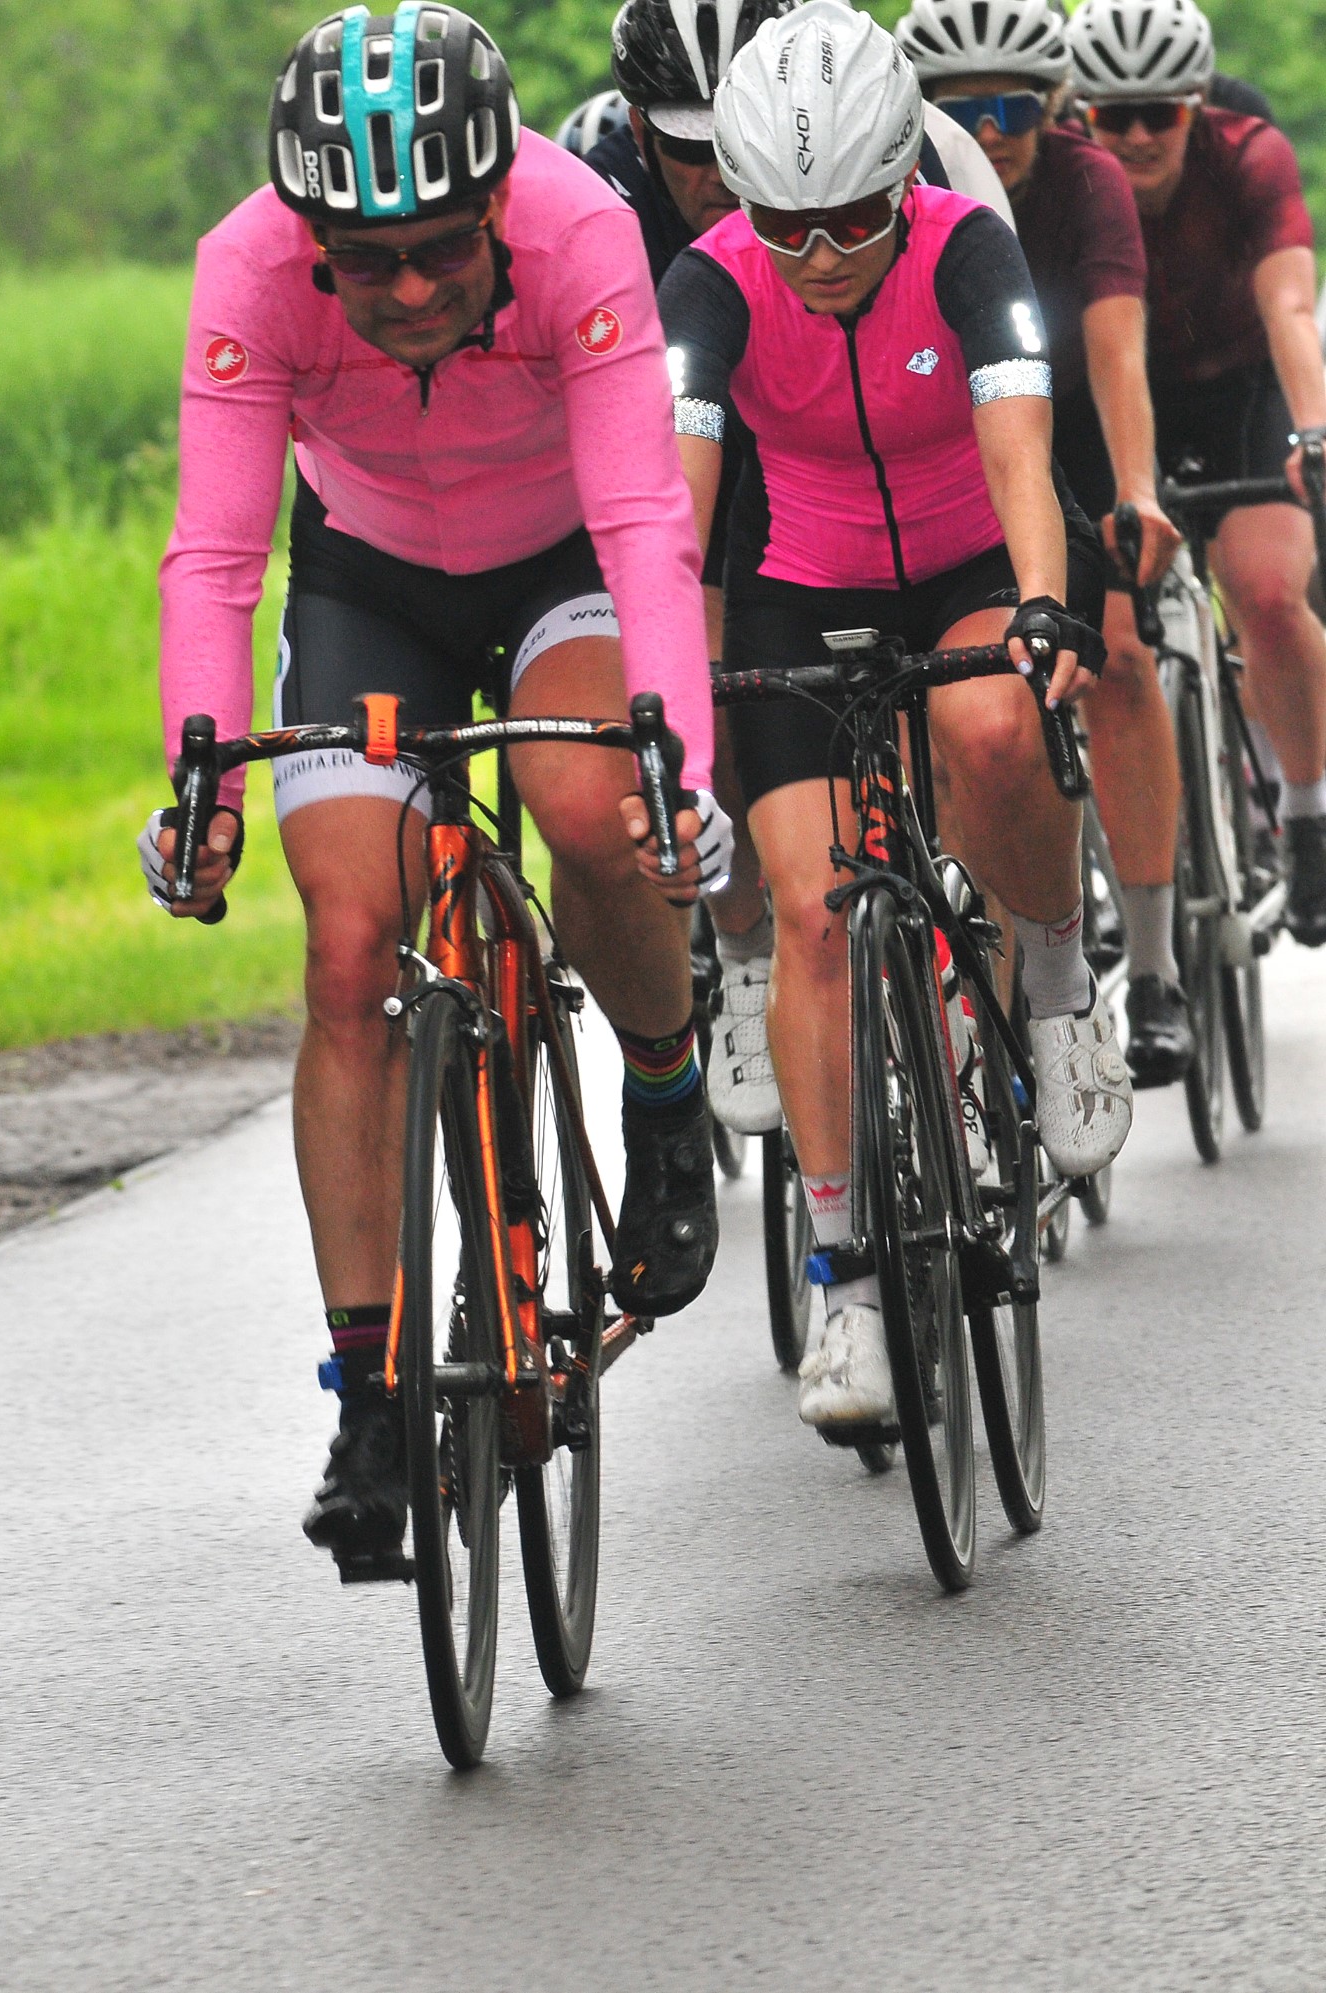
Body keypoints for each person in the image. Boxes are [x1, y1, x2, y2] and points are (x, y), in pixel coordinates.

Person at [153, 5, 728, 1577]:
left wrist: (675, 757)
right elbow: (216, 556)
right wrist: (200, 779)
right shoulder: (246, 269)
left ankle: (665, 1084)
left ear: (495, 206)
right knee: (350, 946)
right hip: (371, 582)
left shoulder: (581, 227)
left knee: (585, 802)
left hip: (563, 563)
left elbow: (643, 519)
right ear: (310, 239)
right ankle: (373, 1398)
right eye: (366, 262)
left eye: (441, 253)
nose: (409, 292)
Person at [663, 0, 1129, 1427]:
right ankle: (849, 1290)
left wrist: (1041, 604)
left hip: (976, 556)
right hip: (803, 582)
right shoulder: (711, 285)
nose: (817, 257)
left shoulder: (966, 245)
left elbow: (1022, 451)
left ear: (899, 184)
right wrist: (668, 687)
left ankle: (1058, 989)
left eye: (851, 222)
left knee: (993, 729)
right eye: (783, 226)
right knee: (811, 915)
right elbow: (678, 506)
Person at [582, 0, 1021, 1141]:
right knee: (702, 697)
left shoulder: (937, 162)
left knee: (976, 726)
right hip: (717, 462)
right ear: (642, 127)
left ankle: (983, 955)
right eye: (687, 151)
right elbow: (643, 479)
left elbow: (1005, 385)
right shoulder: (602, 195)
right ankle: (746, 955)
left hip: (910, 440)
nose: (713, 182)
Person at [902, 0, 1198, 1083]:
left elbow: (1117, 348)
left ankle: (1155, 968)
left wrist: (1136, 493)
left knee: (1117, 656)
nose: (990, 130)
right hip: (951, 440)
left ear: (1054, 106)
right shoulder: (893, 186)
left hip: (1068, 427)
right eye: (961, 108)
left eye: (1013, 107)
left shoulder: (1087, 180)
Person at [1068, 0, 1326, 944]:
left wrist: (1316, 433)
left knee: (1266, 591)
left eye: (1160, 114)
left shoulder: (1249, 154)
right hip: (1112, 397)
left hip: (1240, 390)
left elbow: (1290, 307)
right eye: (1113, 116)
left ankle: (1307, 813)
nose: (1137, 136)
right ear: (1081, 114)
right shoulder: (1066, 173)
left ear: (1197, 105)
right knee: (1105, 642)